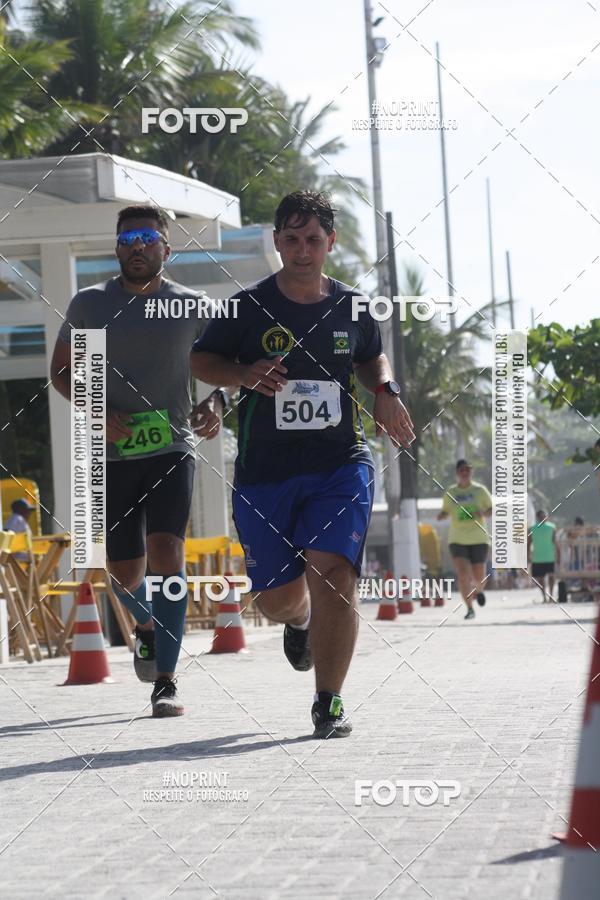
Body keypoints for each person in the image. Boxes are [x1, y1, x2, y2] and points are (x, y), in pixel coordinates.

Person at [190, 190, 415, 738]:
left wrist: (384, 389)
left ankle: (329, 702)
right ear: (277, 242)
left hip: (339, 463)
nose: (302, 249)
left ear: (330, 243)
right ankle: (301, 621)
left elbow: (370, 357)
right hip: (265, 474)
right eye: (291, 239)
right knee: (277, 600)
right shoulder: (246, 308)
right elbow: (202, 357)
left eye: (313, 239)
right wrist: (241, 377)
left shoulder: (353, 308)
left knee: (334, 574)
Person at [51, 205, 226, 717]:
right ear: (117, 248)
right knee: (122, 574)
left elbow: (222, 370)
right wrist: (98, 413)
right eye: (127, 238)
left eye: (148, 237)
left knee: (168, 550)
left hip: (172, 449)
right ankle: (148, 625)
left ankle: (166, 681)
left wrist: (214, 403)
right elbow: (63, 372)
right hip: (113, 453)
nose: (137, 246)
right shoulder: (91, 305)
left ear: (166, 249)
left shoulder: (190, 306)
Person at [437, 460, 492, 620]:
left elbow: (491, 509)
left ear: (471, 472)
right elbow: (445, 511)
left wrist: (483, 513)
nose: (464, 472)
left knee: (479, 576)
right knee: (462, 574)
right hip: (457, 539)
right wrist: (442, 515)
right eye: (461, 470)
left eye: (467, 469)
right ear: (457, 472)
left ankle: (479, 590)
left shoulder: (479, 490)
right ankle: (469, 608)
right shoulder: (451, 493)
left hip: (479, 538)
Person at [528, 510, 557, 602]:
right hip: (537, 558)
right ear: (538, 517)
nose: (543, 518)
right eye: (541, 516)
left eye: (544, 516)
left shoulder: (552, 527)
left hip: (550, 556)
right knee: (540, 579)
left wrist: (558, 555)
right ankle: (544, 597)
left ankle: (551, 596)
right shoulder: (532, 528)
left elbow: (555, 542)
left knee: (551, 577)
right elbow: (528, 543)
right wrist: (528, 556)